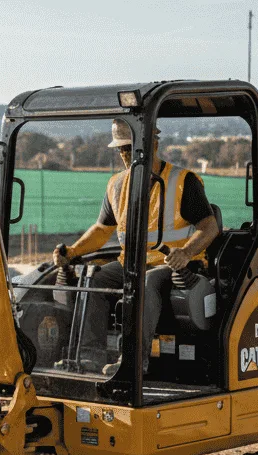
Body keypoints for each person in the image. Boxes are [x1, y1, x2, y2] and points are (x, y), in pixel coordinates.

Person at [53, 119, 219, 375]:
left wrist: (185, 253)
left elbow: (209, 226)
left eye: (130, 148)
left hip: (170, 267)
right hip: (129, 265)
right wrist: (72, 252)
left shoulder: (182, 181)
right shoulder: (117, 185)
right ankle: (89, 357)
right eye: (121, 149)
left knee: (145, 284)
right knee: (94, 279)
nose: (124, 154)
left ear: (152, 143)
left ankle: (133, 362)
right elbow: (101, 230)